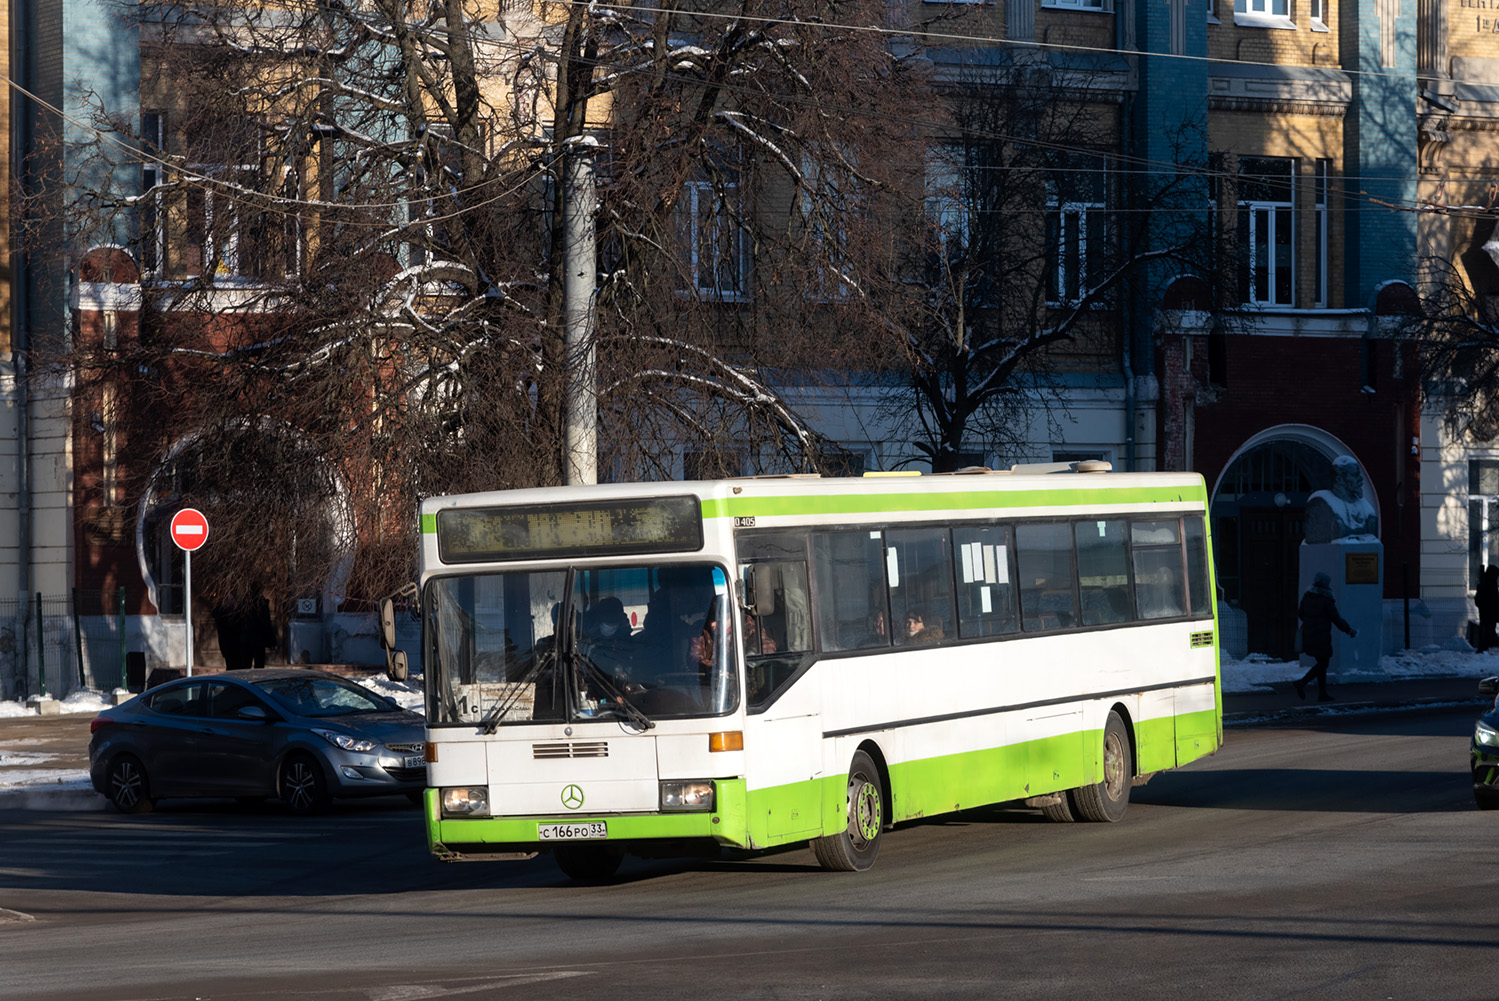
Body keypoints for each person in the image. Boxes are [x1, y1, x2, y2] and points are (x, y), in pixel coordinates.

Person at [1295, 571, 1356, 702]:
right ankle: (1302, 682)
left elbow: (1301, 614)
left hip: (1308, 633)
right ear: (1325, 583)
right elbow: (1335, 617)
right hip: (1321, 635)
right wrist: (1348, 630)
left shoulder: (1307, 595)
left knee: (1321, 663)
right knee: (1323, 663)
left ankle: (1322, 694)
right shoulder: (1326, 598)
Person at [1478, 565, 1499, 653]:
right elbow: (1493, 599)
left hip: (1487, 612)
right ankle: (1484, 648)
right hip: (1490, 611)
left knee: (1488, 630)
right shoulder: (1490, 584)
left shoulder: (1485, 583)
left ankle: (1484, 647)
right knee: (1489, 630)